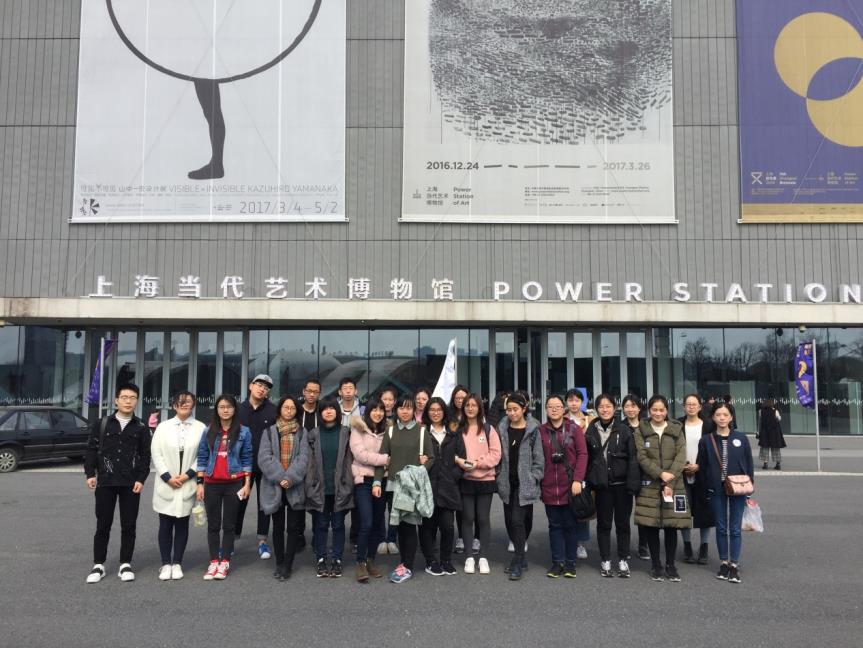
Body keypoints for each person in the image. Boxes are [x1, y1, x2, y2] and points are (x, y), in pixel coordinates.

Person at [84, 383, 151, 584]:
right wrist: (90, 473)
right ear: (116, 400)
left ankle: (125, 564)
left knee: (129, 525)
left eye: (132, 398)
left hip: (131, 483)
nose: (128, 401)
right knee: (103, 524)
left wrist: (141, 479)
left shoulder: (141, 427)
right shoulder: (102, 423)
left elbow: (145, 456)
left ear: (137, 401)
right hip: (106, 481)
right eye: (124, 397)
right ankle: (98, 564)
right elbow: (91, 449)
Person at [374, 394, 435, 583]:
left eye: (408, 408)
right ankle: (405, 563)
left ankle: (407, 565)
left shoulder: (422, 431)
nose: (405, 411)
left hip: (412, 488)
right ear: (396, 410)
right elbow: (383, 459)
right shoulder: (391, 431)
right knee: (400, 526)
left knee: (409, 525)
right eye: (401, 408)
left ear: (414, 410)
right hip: (394, 486)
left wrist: (421, 469)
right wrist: (377, 482)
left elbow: (431, 458)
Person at [696, 401, 755, 584]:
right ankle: (723, 562)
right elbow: (702, 466)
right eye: (718, 415)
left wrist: (749, 488)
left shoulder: (741, 438)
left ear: (731, 417)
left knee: (735, 528)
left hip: (738, 488)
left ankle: (734, 564)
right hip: (716, 488)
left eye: (725, 415)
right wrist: (706, 487)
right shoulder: (706, 440)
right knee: (721, 527)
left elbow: (749, 464)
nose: (722, 418)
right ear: (713, 417)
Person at [634, 395, 691, 582]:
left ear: (666, 411)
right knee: (651, 525)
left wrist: (669, 480)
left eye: (661, 410)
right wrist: (660, 474)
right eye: (654, 410)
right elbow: (642, 457)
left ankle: (671, 566)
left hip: (674, 484)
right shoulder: (641, 430)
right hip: (649, 484)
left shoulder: (676, 429)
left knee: (671, 526)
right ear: (649, 410)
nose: (658, 413)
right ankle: (656, 565)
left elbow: (681, 456)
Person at [196, 394, 253, 581]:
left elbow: (247, 458)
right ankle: (214, 561)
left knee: (229, 525)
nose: (225, 410)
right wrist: (199, 483)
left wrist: (247, 484)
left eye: (229, 406)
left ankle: (225, 561)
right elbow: (202, 457)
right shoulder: (208, 430)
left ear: (235, 409)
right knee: (213, 525)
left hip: (233, 483)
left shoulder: (244, 432)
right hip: (212, 483)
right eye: (221, 407)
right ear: (217, 409)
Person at [150, 391, 206, 581]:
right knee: (165, 524)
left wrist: (188, 475)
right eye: (180, 401)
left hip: (187, 482)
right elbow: (156, 453)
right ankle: (166, 563)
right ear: (174, 405)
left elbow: (203, 455)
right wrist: (167, 477)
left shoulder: (200, 427)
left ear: (193, 405)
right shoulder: (163, 427)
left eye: (188, 401)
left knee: (182, 523)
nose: (184, 404)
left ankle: (177, 563)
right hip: (166, 483)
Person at [585, 394, 641, 578]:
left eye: (608, 406)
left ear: (614, 408)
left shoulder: (623, 430)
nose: (605, 409)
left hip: (622, 485)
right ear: (596, 409)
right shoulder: (591, 430)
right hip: (602, 486)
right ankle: (606, 559)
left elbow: (633, 458)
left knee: (623, 524)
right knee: (604, 524)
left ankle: (623, 559)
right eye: (601, 406)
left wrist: (633, 484)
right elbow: (587, 458)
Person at [258, 395, 310, 581]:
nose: (289, 411)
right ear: (279, 409)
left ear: (297, 411)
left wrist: (290, 478)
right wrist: (281, 477)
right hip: (275, 485)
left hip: (295, 486)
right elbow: (264, 457)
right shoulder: (269, 432)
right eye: (286, 407)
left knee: (293, 527)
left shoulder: (302, 432)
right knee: (278, 527)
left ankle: (288, 564)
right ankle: (279, 562)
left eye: (292, 408)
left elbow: (304, 458)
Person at [539, 394, 588, 579]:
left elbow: (583, 454)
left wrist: (578, 480)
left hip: (570, 485)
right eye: (550, 406)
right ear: (546, 409)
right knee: (554, 526)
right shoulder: (541, 431)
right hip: (549, 485)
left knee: (570, 525)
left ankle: (570, 562)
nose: (554, 409)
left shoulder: (574, 429)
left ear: (563, 409)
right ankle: (557, 562)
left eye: (557, 406)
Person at [496, 392, 543, 580]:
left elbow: (539, 457)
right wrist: (498, 474)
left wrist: (534, 476)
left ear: (524, 409)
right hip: (507, 482)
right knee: (510, 521)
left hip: (526, 482)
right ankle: (521, 556)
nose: (512, 413)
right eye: (509, 409)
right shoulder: (502, 428)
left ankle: (517, 560)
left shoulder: (533, 429)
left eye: (515, 409)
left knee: (519, 521)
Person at [306, 398, 354, 578]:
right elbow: (309, 462)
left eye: (332, 408)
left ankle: (337, 560)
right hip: (319, 487)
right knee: (321, 525)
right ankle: (321, 559)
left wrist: (348, 482)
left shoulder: (346, 432)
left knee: (339, 525)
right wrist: (310, 484)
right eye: (324, 409)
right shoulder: (313, 434)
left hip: (341, 487)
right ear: (320, 413)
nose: (328, 411)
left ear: (337, 411)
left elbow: (350, 459)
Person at [455, 394, 501, 575]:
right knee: (467, 518)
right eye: (467, 405)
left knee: (483, 518)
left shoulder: (489, 429)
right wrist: (459, 461)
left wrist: (477, 463)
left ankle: (483, 558)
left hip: (485, 479)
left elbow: (496, 454)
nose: (470, 408)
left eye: (474, 405)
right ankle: (469, 557)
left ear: (480, 407)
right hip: (465, 479)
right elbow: (452, 452)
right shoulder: (459, 429)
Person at [420, 396, 465, 576]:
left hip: (448, 487)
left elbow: (462, 458)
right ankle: (431, 561)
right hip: (427, 487)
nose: (435, 413)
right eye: (432, 410)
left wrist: (453, 477)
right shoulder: (422, 433)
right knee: (427, 526)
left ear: (444, 412)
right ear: (427, 412)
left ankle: (446, 560)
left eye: (439, 410)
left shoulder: (454, 434)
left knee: (448, 526)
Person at [235, 374, 278, 560]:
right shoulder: (238, 409)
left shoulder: (273, 411)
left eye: (266, 388)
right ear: (251, 386)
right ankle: (232, 537)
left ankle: (262, 540)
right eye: (259, 385)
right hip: (241, 465)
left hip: (266, 466)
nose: (262, 389)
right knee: (238, 502)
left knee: (264, 504)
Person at [349, 397, 390, 582]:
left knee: (377, 523)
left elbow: (392, 452)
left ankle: (370, 559)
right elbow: (360, 455)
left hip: (382, 480)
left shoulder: (388, 430)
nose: (378, 413)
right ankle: (360, 562)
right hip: (363, 481)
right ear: (368, 411)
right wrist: (384, 460)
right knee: (366, 522)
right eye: (374, 409)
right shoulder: (358, 429)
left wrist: (385, 461)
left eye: (381, 410)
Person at [677, 393, 715, 565]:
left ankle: (704, 546)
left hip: (703, 474)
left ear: (700, 406)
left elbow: (713, 451)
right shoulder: (677, 425)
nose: (691, 407)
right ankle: (687, 545)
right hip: (682, 474)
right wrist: (682, 466)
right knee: (683, 511)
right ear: (684, 407)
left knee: (704, 511)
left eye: (694, 404)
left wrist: (699, 466)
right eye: (688, 404)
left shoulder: (709, 425)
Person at [564, 388, 592, 559]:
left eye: (577, 400)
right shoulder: (561, 419)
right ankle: (568, 540)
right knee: (565, 506)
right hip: (564, 468)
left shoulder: (590, 420)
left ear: (582, 402)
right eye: (570, 400)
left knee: (581, 504)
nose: (573, 403)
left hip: (584, 468)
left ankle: (580, 542)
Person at [621, 395, 650, 561]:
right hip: (624, 474)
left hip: (644, 473)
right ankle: (624, 547)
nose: (630, 409)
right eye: (627, 406)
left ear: (639, 408)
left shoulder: (647, 427)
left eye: (633, 406)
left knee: (643, 511)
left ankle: (643, 545)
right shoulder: (620, 427)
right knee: (624, 514)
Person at [448, 384, 475, 554]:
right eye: (457, 398)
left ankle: (472, 537)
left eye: (463, 398)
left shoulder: (473, 417)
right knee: (456, 503)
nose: (460, 400)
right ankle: (459, 537)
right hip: (454, 465)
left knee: (470, 507)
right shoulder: (449, 417)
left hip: (471, 465)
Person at [296, 378, 322, 551]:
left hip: (318, 461)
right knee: (298, 499)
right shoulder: (297, 411)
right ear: (304, 391)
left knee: (316, 498)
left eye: (315, 392)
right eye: (309, 391)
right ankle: (298, 535)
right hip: (299, 460)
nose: (312, 394)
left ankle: (317, 535)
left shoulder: (323, 411)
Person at [757, 398, 786, 470]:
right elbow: (779, 419)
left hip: (764, 431)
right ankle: (778, 464)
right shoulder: (775, 411)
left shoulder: (761, 411)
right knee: (775, 448)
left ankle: (765, 464)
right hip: (774, 432)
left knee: (765, 447)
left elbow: (760, 421)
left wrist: (758, 431)